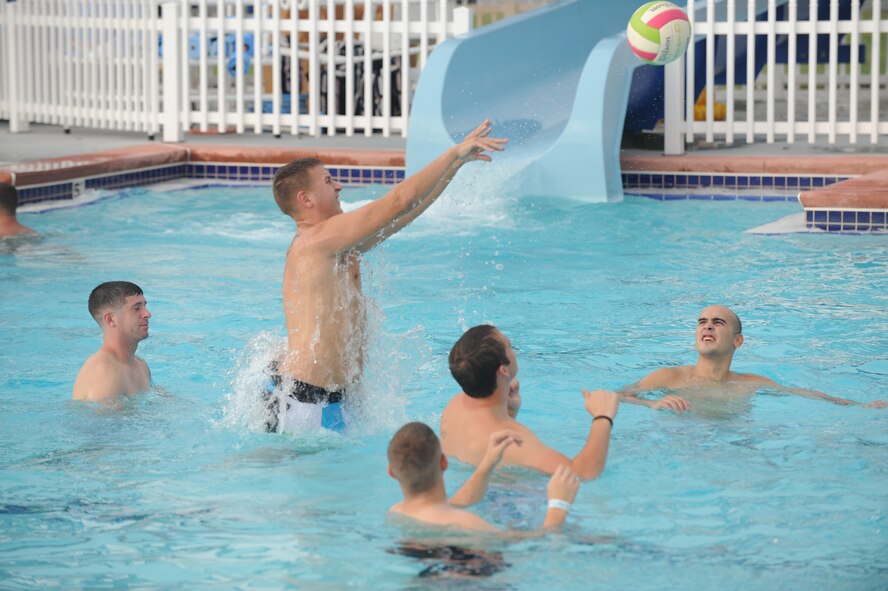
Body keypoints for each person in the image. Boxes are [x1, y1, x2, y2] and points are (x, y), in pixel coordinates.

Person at [265, 120, 507, 433]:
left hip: (331, 397)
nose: (338, 187)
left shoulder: (337, 246)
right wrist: (452, 153)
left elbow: (406, 213)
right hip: (305, 401)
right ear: (306, 199)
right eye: (327, 181)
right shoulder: (317, 240)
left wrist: (455, 166)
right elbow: (398, 202)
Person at [620, 304, 887, 412]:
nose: (707, 326)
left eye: (718, 322)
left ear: (738, 341)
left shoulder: (749, 383)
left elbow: (804, 394)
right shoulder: (670, 377)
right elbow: (616, 396)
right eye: (702, 322)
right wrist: (652, 404)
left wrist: (861, 405)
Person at [440, 325, 620, 480]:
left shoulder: (455, 405)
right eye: (510, 346)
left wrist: (509, 412)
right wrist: (602, 417)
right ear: (503, 370)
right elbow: (583, 473)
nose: (514, 350)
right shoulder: (514, 441)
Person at [387, 422, 580, 533]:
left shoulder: (396, 513)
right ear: (444, 462)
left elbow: (451, 505)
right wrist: (559, 504)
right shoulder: (467, 524)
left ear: (391, 472)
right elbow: (539, 542)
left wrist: (488, 463)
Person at [73, 281, 152, 402]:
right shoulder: (104, 374)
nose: (147, 314)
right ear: (110, 319)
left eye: (144, 306)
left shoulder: (140, 365)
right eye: (136, 308)